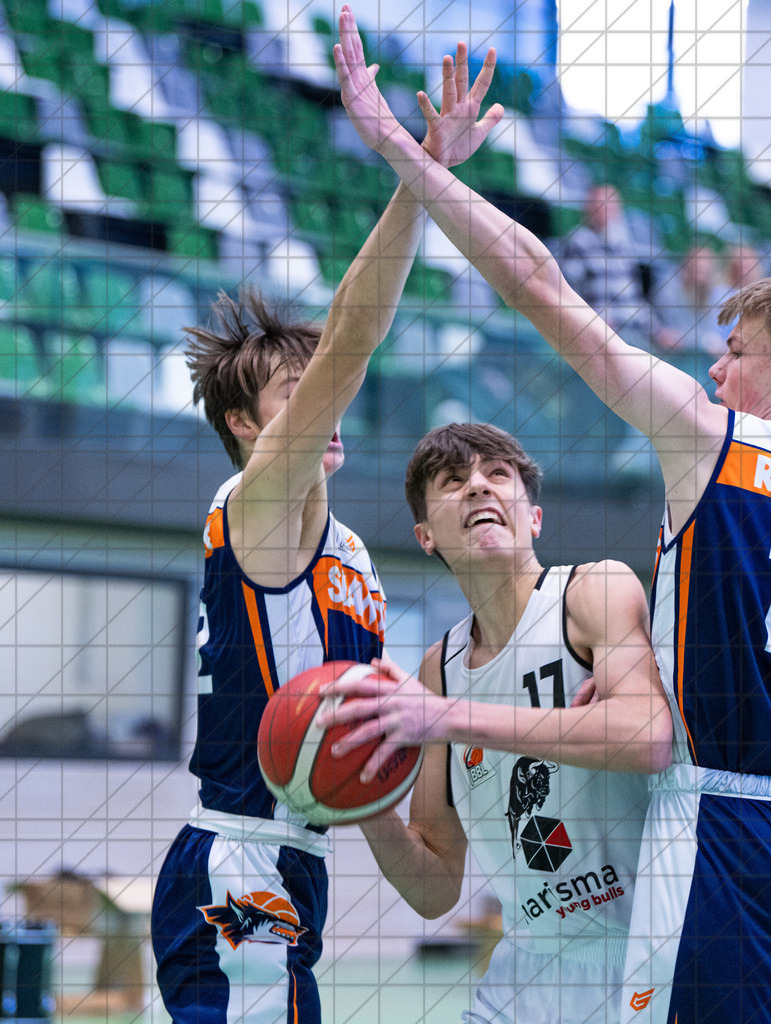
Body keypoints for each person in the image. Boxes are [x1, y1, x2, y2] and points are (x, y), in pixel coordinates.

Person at [332, 10, 771, 1021]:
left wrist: (400, 152)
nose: (715, 370)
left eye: (739, 354)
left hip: (726, 820)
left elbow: (542, 285)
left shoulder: (715, 440)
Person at [149, 39, 503, 1024]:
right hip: (239, 856)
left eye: (326, 390)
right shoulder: (256, 510)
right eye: (299, 394)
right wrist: (417, 168)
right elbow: (354, 335)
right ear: (248, 428)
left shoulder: (350, 558)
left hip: (293, 861)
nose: (329, 405)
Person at [319, 422, 672, 1024]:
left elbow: (647, 735)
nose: (479, 486)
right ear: (426, 535)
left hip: (640, 958)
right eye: (453, 482)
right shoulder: (441, 668)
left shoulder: (594, 590)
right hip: (522, 969)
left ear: (533, 518)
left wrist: (448, 719)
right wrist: (360, 799)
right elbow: (435, 889)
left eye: (498, 475)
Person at [558, 183, 657, 346]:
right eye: (600, 204)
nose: (605, 210)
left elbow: (636, 298)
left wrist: (657, 330)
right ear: (588, 209)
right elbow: (569, 293)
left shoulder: (624, 246)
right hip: (600, 334)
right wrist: (595, 321)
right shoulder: (578, 243)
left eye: (611, 206)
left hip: (634, 331)